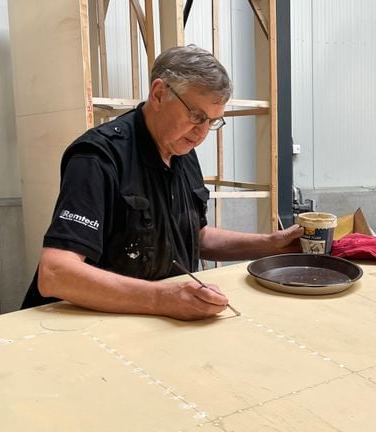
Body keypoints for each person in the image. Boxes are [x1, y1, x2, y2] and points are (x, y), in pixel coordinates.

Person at [21, 45, 303, 320]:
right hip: (81, 326)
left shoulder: (182, 151)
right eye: (196, 116)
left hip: (152, 320)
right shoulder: (98, 157)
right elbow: (56, 273)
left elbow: (194, 235)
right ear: (159, 94)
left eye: (213, 122)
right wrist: (163, 297)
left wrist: (270, 244)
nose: (203, 132)